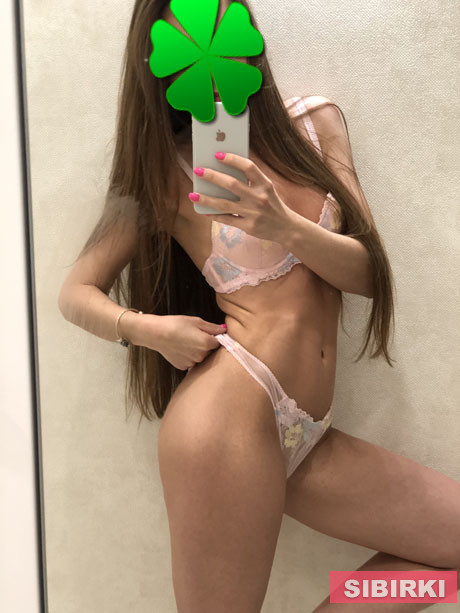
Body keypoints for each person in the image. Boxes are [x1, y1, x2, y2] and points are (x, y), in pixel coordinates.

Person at [58, 1, 460, 611]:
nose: (211, 57)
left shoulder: (316, 125)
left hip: (308, 435)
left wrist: (285, 226)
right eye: (187, 48)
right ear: (160, 63)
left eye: (222, 31)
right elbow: (76, 292)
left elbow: (368, 276)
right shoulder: (166, 170)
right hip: (225, 421)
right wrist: (150, 331)